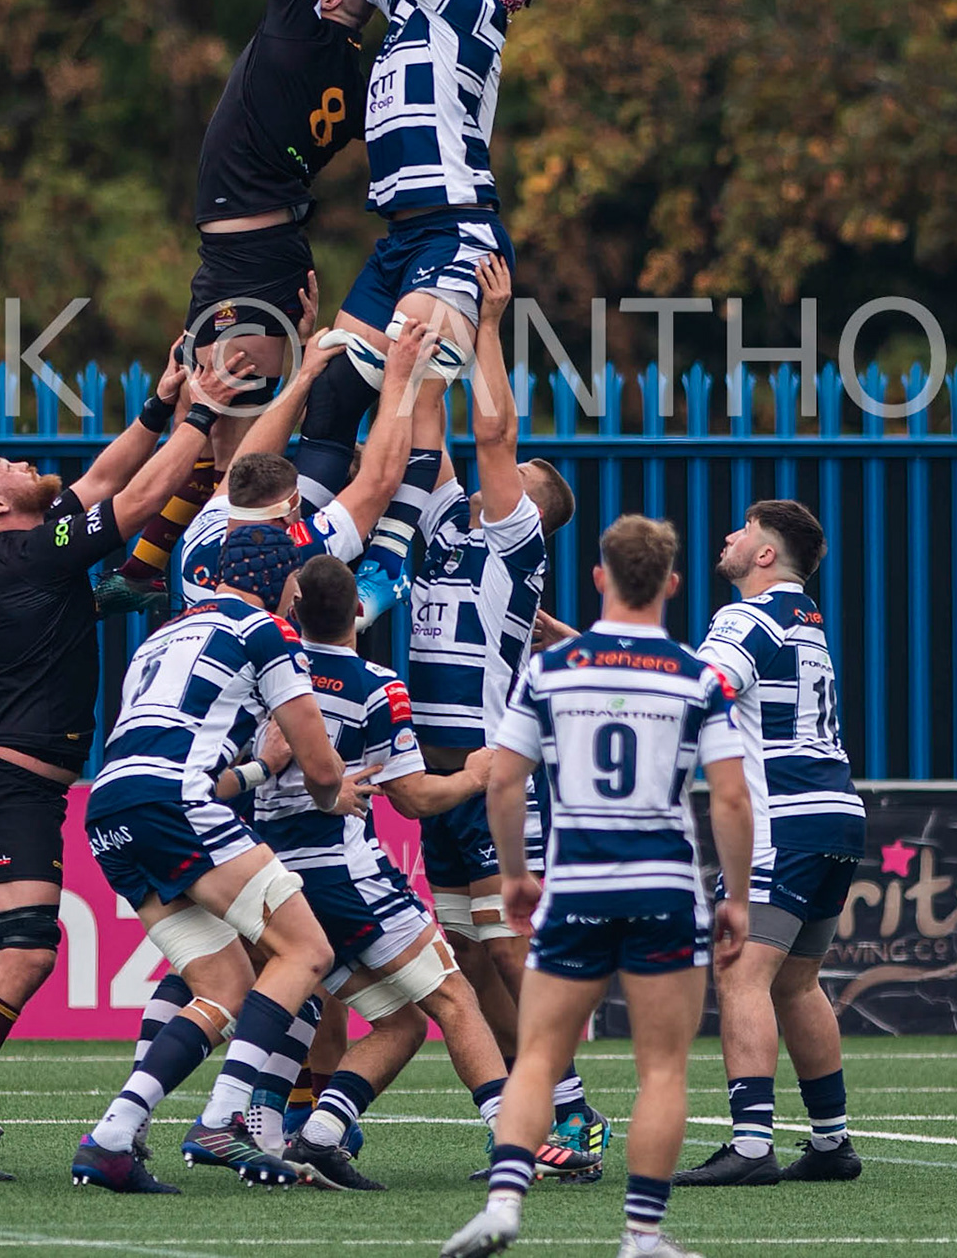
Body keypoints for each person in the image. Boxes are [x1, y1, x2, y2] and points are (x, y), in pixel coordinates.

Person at [0, 347, 245, 1182]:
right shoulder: (33, 553)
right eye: (12, 466)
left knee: (2, 952)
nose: (29, 464)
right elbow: (133, 500)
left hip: (2, 782)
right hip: (10, 787)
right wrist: (202, 414)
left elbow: (100, 481)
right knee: (27, 952)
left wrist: (158, 405)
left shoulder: (25, 548)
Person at [262, 0, 536, 619]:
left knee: (408, 394)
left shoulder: (470, 7)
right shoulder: (420, 5)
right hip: (403, 238)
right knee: (338, 388)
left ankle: (382, 564)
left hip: (456, 233)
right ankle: (286, 545)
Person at [99, 0, 369, 613]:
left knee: (234, 449)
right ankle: (152, 571)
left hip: (252, 263)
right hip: (251, 257)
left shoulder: (299, 30)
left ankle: (217, 594)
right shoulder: (353, 71)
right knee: (215, 426)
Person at [441, 515, 754, 1258]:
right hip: (663, 890)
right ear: (672, 584)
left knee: (539, 1054)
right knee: (662, 1069)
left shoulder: (550, 670)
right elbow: (732, 798)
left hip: (576, 886)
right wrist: (738, 897)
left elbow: (505, 783)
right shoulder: (697, 676)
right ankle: (641, 1234)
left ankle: (505, 1204)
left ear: (599, 578)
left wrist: (515, 874)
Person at [72, 526, 348, 1192]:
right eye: (292, 584)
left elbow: (182, 747)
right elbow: (320, 766)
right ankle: (223, 1118)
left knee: (223, 987)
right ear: (278, 580)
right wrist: (334, 790)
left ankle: (112, 1137)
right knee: (307, 952)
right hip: (174, 801)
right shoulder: (264, 631)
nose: (294, 598)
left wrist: (257, 770)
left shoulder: (164, 633)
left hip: (109, 806)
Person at [401, 257, 594, 1168]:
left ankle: (573, 1110)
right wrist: (424, 342)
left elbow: (492, 430)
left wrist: (487, 322)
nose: (494, 475)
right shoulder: (447, 526)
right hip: (436, 777)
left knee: (512, 950)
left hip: (487, 772)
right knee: (471, 960)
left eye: (516, 476)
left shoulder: (514, 545)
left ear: (532, 510)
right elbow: (428, 433)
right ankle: (536, 1111)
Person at [248, 554, 510, 1191]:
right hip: (344, 876)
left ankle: (319, 1135)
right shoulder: (376, 685)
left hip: (273, 880)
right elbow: (414, 798)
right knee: (454, 999)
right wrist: (474, 776)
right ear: (359, 613)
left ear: (294, 609)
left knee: (401, 1022)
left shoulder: (263, 674)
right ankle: (516, 1142)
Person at [675, 500, 866, 1187]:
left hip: (782, 819)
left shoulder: (745, 617)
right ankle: (831, 1141)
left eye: (743, 529)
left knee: (742, 974)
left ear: (764, 555)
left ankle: (752, 1145)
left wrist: (597, 665)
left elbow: (699, 693)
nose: (728, 535)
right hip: (837, 814)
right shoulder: (805, 619)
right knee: (796, 981)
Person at [175, 316, 438, 618]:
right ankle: (389, 552)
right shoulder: (284, 555)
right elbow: (378, 484)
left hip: (207, 632)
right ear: (288, 516)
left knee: (327, 431)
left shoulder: (207, 532)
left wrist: (304, 375)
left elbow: (246, 459)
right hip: (279, 643)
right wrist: (400, 380)